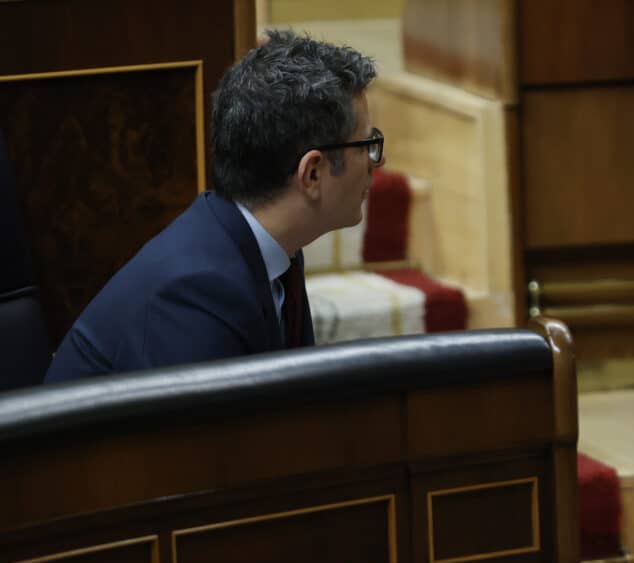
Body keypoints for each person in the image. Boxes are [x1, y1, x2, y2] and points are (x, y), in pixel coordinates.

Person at [43, 30, 385, 383]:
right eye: (367, 144)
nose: (380, 159)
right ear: (312, 173)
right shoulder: (195, 294)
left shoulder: (271, 250)